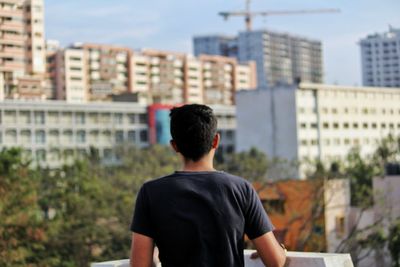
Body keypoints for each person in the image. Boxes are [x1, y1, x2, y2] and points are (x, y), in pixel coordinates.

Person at [130, 104, 286, 267]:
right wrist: (281, 250)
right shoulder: (241, 189)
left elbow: (139, 265)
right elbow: (275, 261)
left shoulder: (151, 193)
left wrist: (155, 258)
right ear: (216, 141)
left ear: (174, 145)